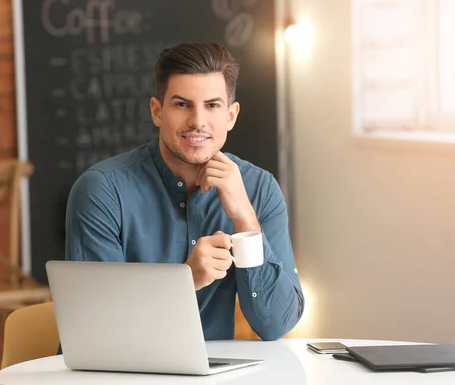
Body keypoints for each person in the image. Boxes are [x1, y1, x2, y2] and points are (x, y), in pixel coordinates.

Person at [64, 42, 304, 341]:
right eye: (182, 104)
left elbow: (276, 324)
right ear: (157, 111)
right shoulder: (102, 190)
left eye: (212, 105)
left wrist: (245, 220)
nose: (198, 122)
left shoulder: (258, 188)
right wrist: (186, 279)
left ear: (231, 115)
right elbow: (96, 327)